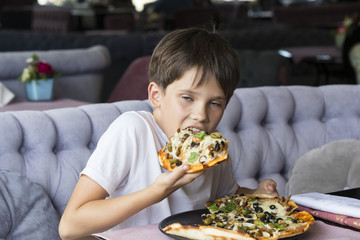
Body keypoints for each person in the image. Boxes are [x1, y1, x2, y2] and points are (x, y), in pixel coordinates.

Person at [59, 27, 278, 240]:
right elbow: (70, 227)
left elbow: (226, 197)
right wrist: (155, 193)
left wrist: (256, 194)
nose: (201, 115)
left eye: (214, 103)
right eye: (187, 98)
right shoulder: (133, 130)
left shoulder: (212, 150)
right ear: (156, 95)